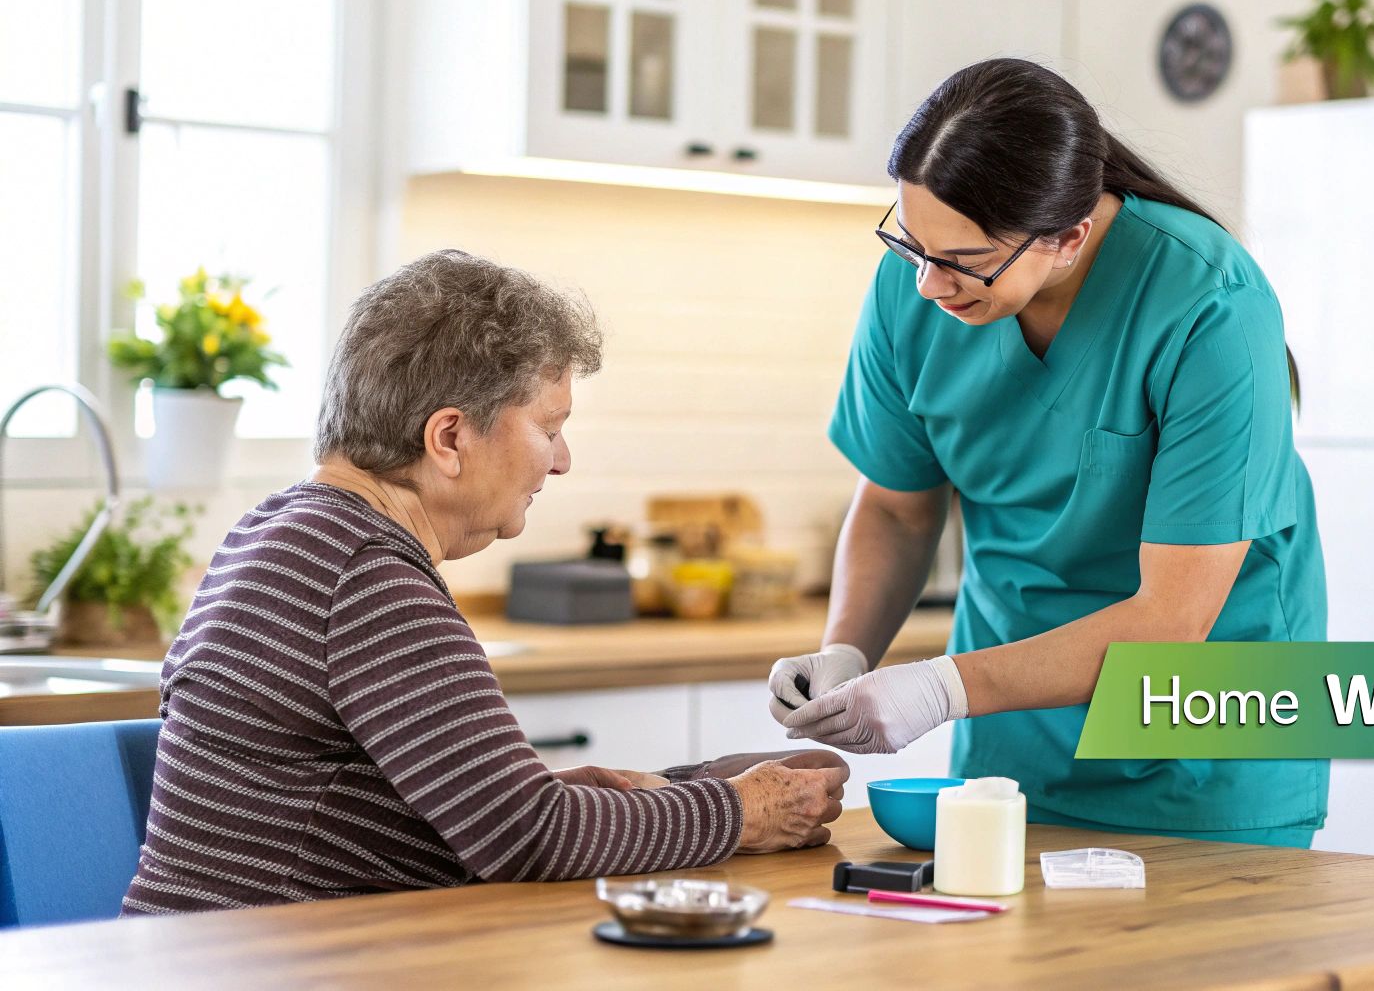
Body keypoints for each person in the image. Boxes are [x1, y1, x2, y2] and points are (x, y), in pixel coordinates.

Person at [123, 250, 842, 915]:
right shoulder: (365, 576)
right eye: (548, 426)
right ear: (448, 438)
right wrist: (743, 811)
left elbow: (402, 813)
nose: (561, 461)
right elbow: (527, 837)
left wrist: (662, 789)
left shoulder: (285, 531)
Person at [767, 59, 1328, 848]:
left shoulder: (1210, 307)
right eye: (912, 244)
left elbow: (1171, 622)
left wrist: (940, 687)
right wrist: (847, 650)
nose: (928, 284)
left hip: (1203, 752)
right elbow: (897, 506)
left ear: (1069, 237)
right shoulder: (921, 283)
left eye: (962, 261)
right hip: (1013, 738)